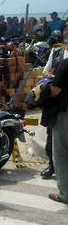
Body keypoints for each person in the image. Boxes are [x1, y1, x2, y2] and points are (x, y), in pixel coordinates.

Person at [40, 25, 68, 178]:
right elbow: (45, 70)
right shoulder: (56, 52)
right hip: (56, 102)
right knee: (52, 135)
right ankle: (52, 166)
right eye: (66, 30)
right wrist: (51, 75)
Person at [47, 57, 68, 204]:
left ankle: (65, 194)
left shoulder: (65, 64)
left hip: (64, 114)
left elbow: (55, 90)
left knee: (60, 154)